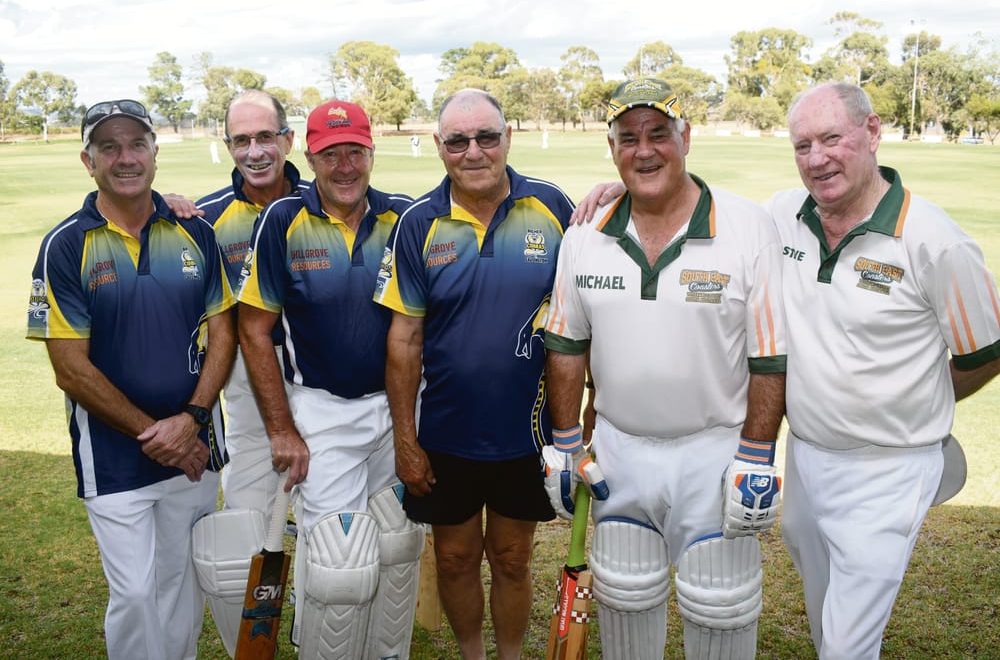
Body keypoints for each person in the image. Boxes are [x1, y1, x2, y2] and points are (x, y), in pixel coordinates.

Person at [543, 78, 787, 660]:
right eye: (628, 138)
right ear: (612, 149)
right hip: (619, 451)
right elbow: (566, 345)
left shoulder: (748, 226)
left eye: (659, 134)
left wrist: (756, 452)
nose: (644, 150)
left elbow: (770, 357)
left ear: (686, 138)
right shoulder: (585, 235)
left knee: (720, 604)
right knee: (625, 600)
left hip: (714, 450)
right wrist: (564, 442)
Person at [765, 82, 1000, 659]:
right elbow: (697, 212)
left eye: (831, 139)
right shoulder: (780, 216)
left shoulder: (937, 241)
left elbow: (986, 351)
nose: (816, 159)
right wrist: (621, 185)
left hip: (889, 467)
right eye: (802, 146)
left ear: (872, 133)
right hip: (807, 453)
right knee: (824, 611)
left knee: (848, 643)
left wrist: (913, 399)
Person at [26, 99, 236, 660]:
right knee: (138, 593)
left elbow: (224, 332)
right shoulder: (65, 245)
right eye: (109, 147)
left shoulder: (195, 231)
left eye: (136, 144)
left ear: (154, 152)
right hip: (114, 455)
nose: (125, 157)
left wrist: (190, 423)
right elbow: (71, 369)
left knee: (180, 586)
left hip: (193, 447)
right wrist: (158, 435)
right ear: (87, 159)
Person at [374, 88, 574, 660]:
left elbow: (583, 322)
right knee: (455, 557)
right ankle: (472, 654)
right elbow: (404, 339)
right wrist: (406, 441)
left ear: (508, 138)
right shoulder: (418, 223)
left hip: (524, 432)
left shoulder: (553, 207)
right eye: (458, 140)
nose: (474, 151)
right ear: (439, 147)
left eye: (487, 136)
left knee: (512, 557)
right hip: (445, 434)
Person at [236, 99, 422, 659]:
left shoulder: (406, 218)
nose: (344, 166)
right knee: (338, 565)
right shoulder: (282, 220)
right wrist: (282, 429)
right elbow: (253, 330)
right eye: (330, 155)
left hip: (397, 411)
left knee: (396, 543)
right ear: (310, 157)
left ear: (371, 152)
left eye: (355, 152)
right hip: (322, 410)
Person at [187, 89, 310, 657]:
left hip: (326, 382)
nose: (256, 151)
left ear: (288, 139)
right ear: (228, 146)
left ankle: (323, 631)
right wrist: (167, 200)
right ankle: (253, 641)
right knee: (245, 521)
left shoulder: (327, 197)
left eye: (266, 137)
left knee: (332, 518)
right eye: (242, 140)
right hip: (247, 388)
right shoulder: (207, 217)